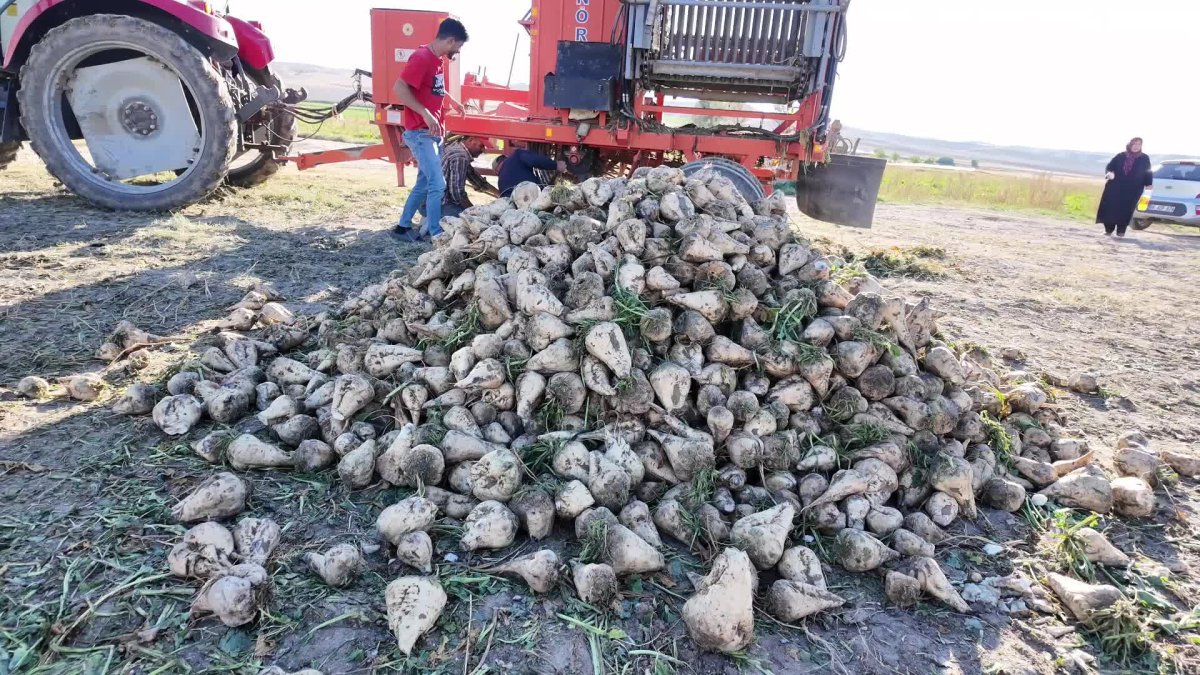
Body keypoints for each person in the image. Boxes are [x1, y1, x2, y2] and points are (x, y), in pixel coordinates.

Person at [393, 18, 469, 242]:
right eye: (458, 46)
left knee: (425, 183)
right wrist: (425, 113)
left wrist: (452, 100)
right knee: (438, 183)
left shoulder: (437, 60)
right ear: (450, 40)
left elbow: (435, 88)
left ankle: (402, 227)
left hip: (432, 133)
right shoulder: (422, 57)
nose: (457, 51)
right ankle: (436, 233)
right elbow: (399, 88)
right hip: (420, 132)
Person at [423, 136, 498, 220]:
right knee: (470, 222)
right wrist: (472, 211)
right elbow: (457, 193)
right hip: (438, 204)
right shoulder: (460, 157)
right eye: (481, 146)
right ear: (471, 140)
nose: (483, 150)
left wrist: (498, 193)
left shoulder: (458, 150)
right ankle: (431, 223)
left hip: (429, 200)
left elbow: (476, 179)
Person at [1096, 137, 1152, 238]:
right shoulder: (1121, 156)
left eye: (1139, 144)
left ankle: (1121, 231)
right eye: (1134, 144)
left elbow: (1147, 172)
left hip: (1133, 189)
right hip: (1115, 187)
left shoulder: (1144, 158)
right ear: (1130, 145)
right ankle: (1108, 230)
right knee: (1110, 207)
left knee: (1126, 209)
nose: (1136, 147)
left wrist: (1149, 183)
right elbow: (1110, 166)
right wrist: (1109, 172)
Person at [493, 147, 568, 197]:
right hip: (533, 196)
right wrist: (555, 165)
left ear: (496, 171)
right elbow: (534, 160)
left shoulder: (500, 184)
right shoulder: (516, 155)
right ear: (506, 157)